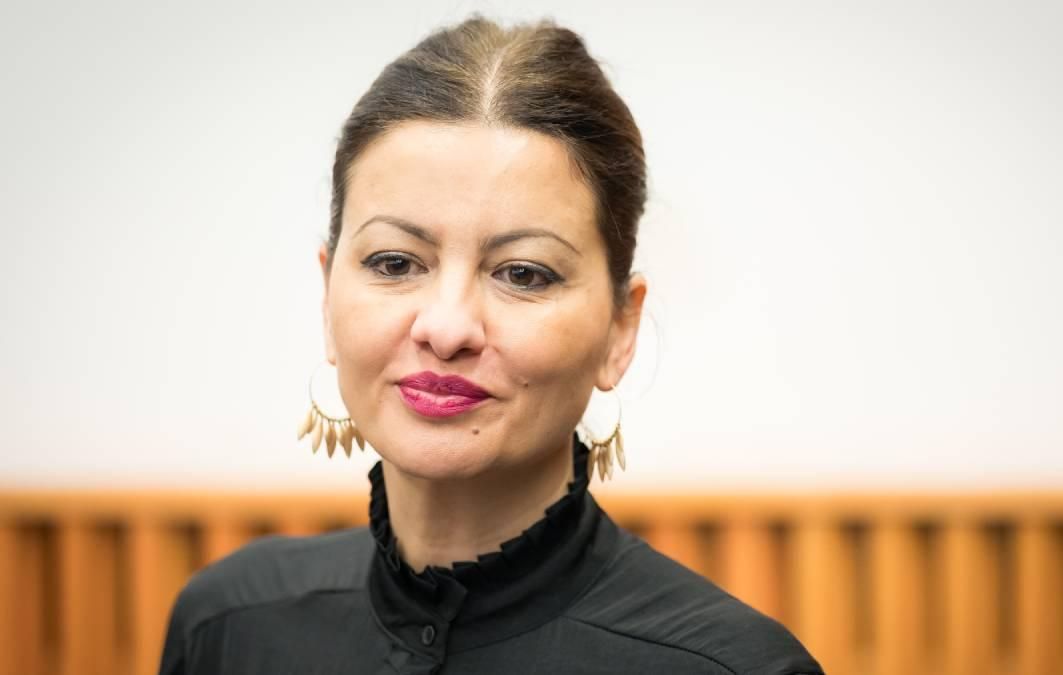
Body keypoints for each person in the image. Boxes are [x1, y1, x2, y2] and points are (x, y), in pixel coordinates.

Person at [158, 14, 823, 675]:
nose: (446, 329)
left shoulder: (736, 668)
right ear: (328, 295)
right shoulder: (228, 627)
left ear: (620, 329)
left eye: (523, 274)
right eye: (395, 262)